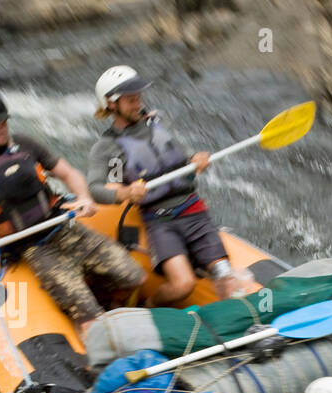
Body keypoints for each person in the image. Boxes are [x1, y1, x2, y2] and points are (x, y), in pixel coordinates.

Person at [0, 89, 145, 336]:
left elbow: (68, 173)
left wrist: (82, 196)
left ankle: (109, 305)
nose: (3, 128)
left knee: (135, 277)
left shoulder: (24, 144)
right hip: (32, 247)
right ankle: (88, 333)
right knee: (90, 320)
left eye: (5, 121)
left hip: (62, 227)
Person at [88, 65, 248, 304]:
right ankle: (150, 309)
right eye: (130, 100)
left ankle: (243, 327)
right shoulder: (107, 146)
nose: (137, 103)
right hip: (160, 222)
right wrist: (126, 192)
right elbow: (95, 189)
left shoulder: (157, 122)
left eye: (138, 97)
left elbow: (180, 158)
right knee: (183, 285)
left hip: (194, 212)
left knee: (226, 276)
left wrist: (197, 159)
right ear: (111, 104)